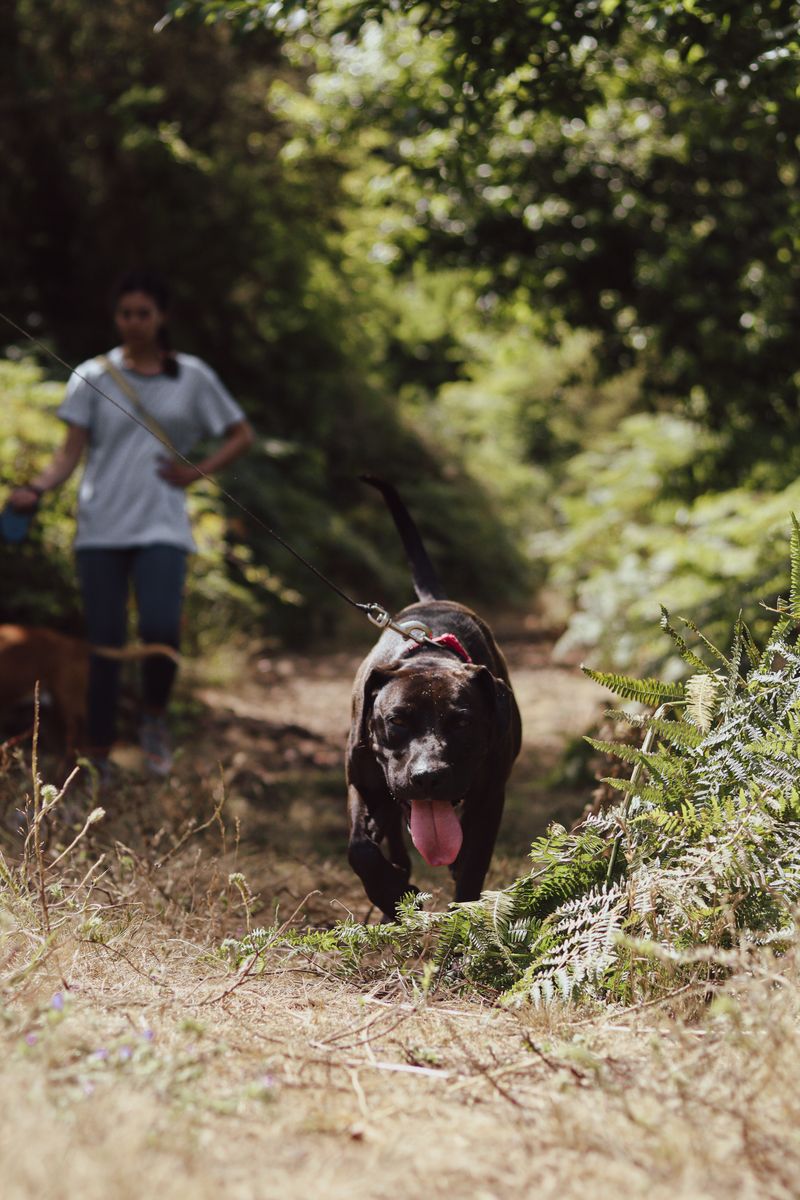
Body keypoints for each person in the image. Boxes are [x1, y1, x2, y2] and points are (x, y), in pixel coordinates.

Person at [8, 270, 254, 777]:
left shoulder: (192, 376)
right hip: (100, 528)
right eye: (125, 313)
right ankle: (98, 755)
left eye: (144, 313)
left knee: (161, 628)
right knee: (105, 645)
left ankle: (154, 717)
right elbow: (68, 455)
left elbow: (240, 434)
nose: (134, 322)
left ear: (161, 317)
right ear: (115, 317)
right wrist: (36, 489)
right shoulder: (91, 375)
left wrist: (195, 472)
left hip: (162, 525)